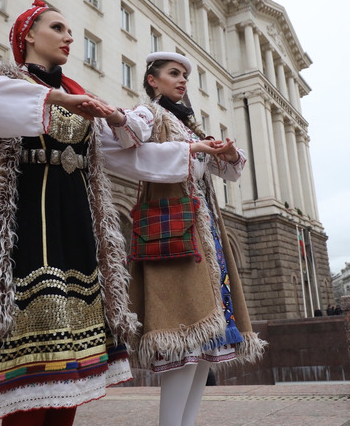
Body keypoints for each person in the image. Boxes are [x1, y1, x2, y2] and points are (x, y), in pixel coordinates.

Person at [0, 1, 233, 426]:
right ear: (27, 36)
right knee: (27, 372)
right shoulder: (3, 80)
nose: (68, 37)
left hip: (76, 231)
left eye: (69, 30)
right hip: (25, 232)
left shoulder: (81, 95)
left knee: (71, 370)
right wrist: (55, 97)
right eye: (57, 27)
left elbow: (130, 155)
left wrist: (192, 150)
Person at [102, 51, 267, 426]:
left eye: (184, 76)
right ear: (152, 81)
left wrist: (223, 152)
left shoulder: (189, 126)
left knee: (203, 350)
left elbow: (229, 171)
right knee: (181, 341)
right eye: (173, 74)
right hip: (173, 233)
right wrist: (115, 115)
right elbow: (129, 137)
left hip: (203, 235)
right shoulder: (151, 114)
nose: (181, 81)